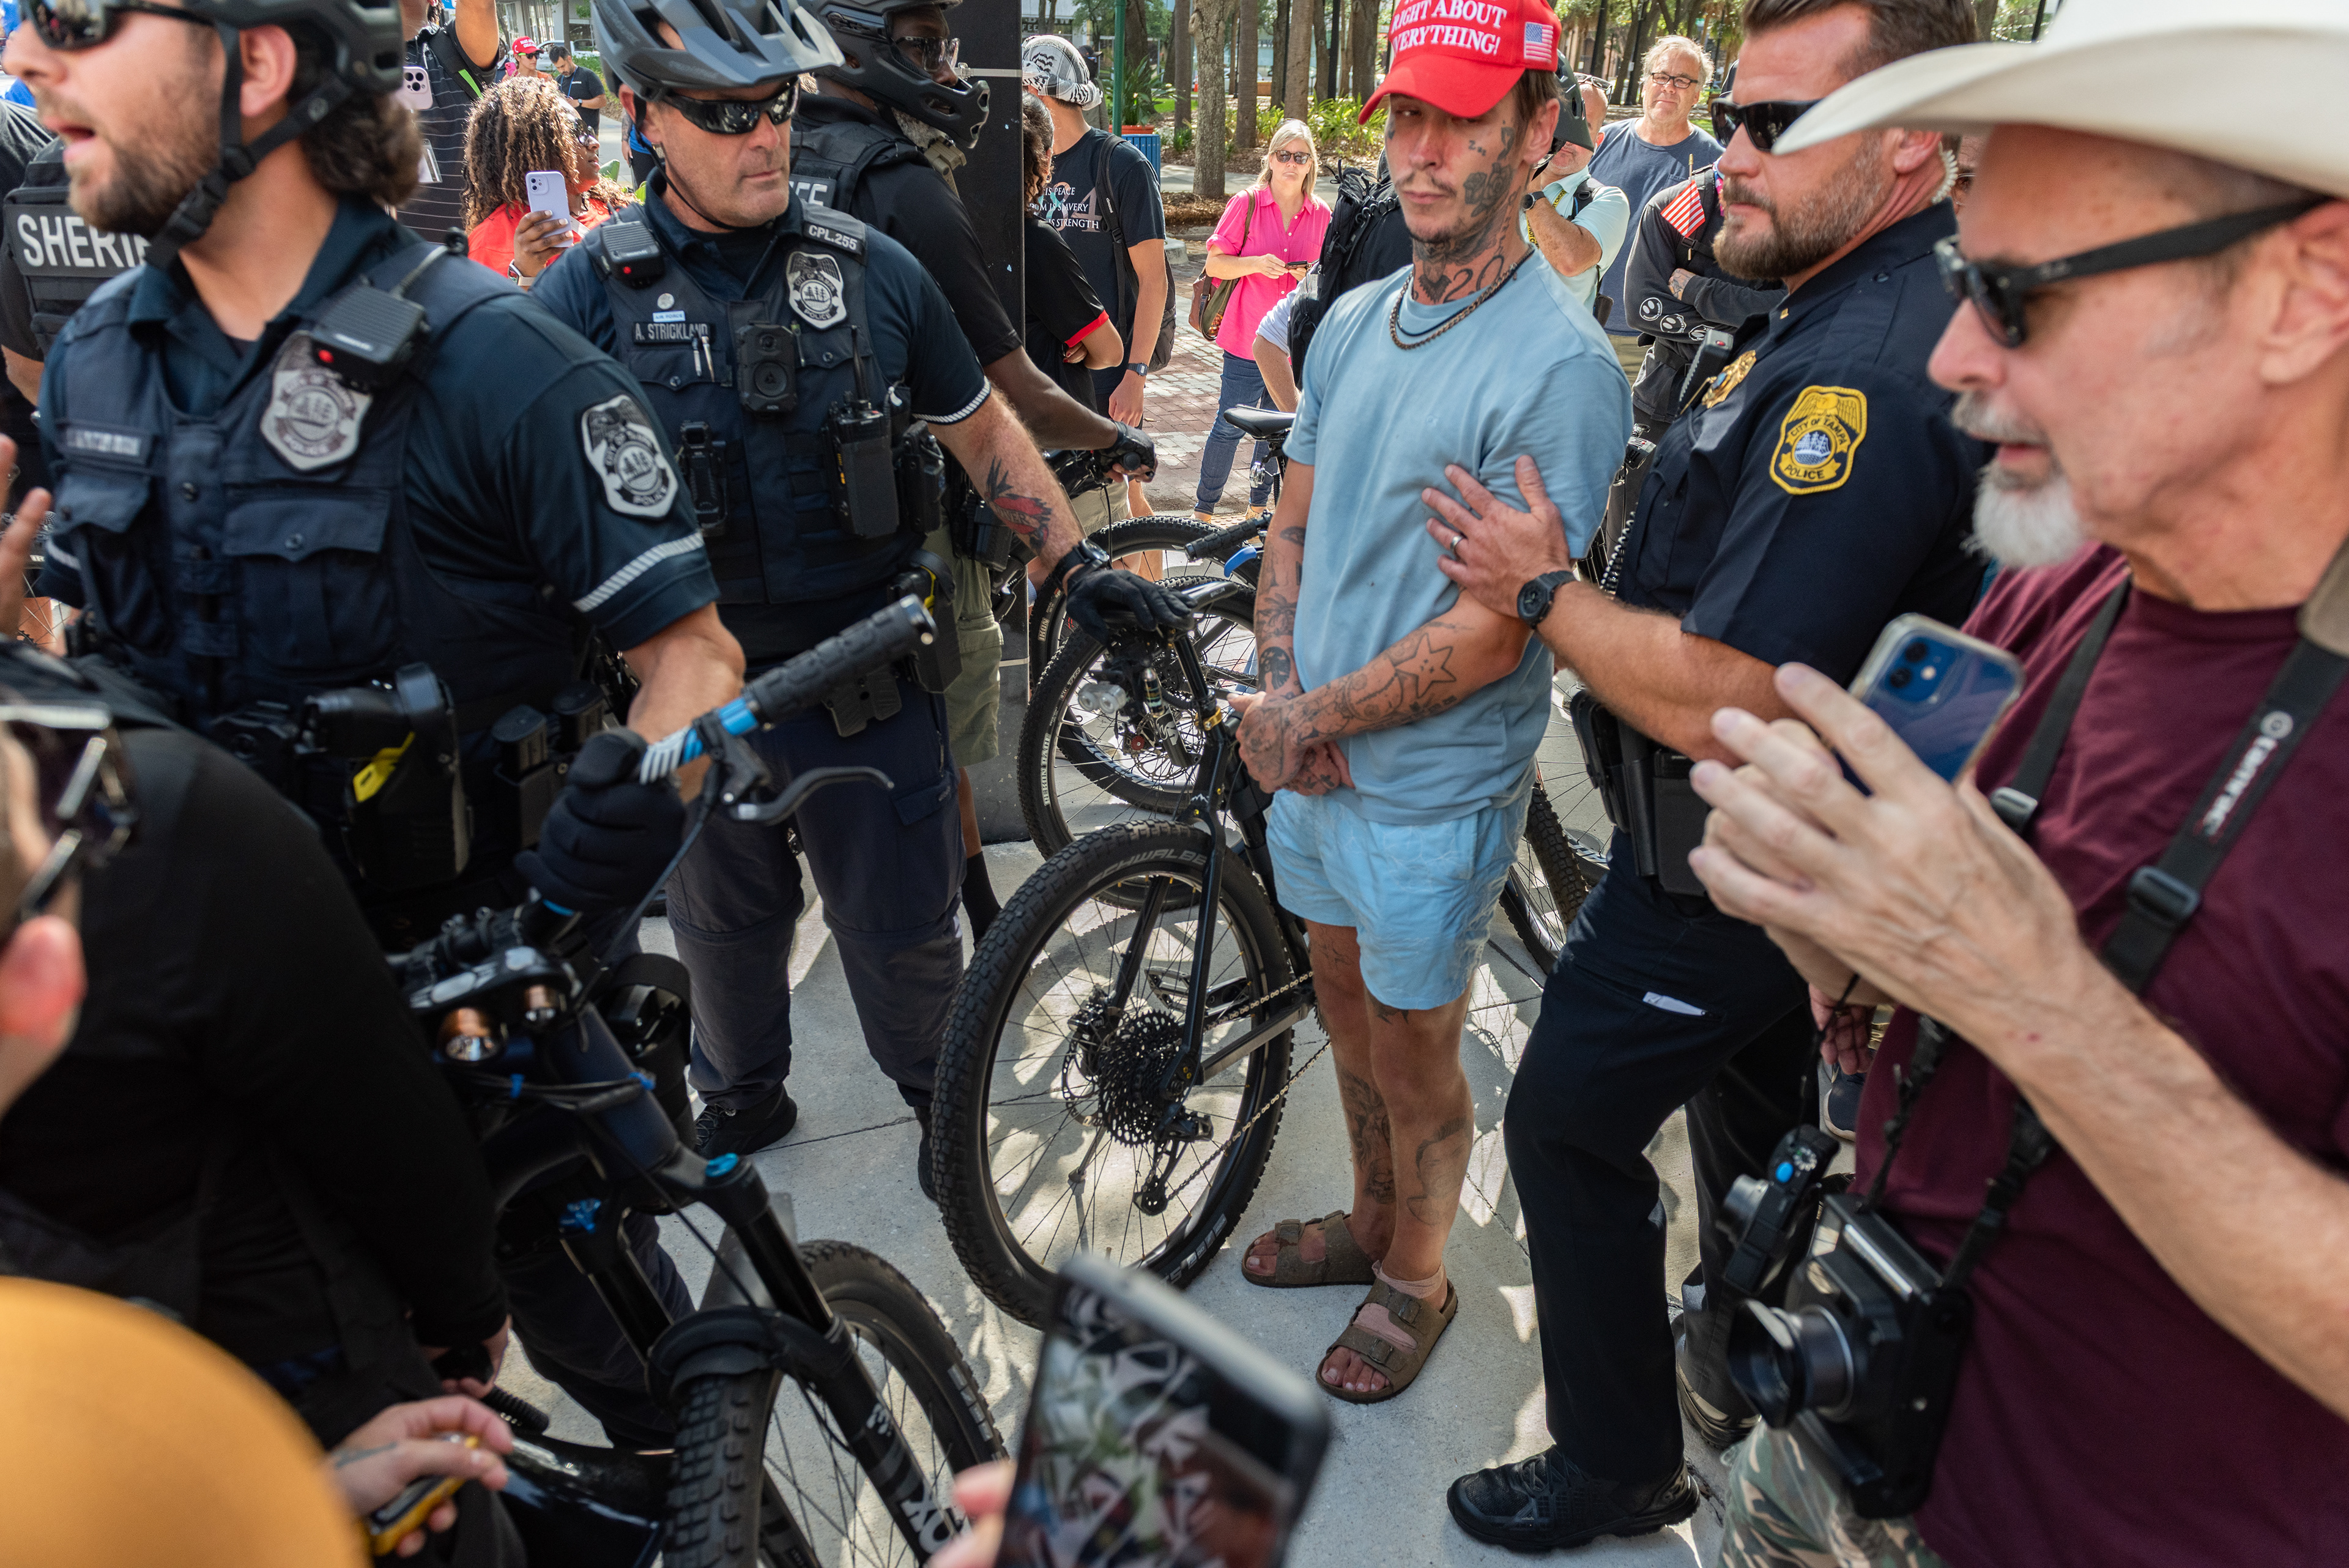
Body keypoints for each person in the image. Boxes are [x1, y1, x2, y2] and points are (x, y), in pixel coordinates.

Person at [5, 0, 746, 1449]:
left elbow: (697, 666)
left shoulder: (500, 365)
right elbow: (97, 666)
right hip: (227, 1075)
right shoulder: (96, 363)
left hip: (482, 1034)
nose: (31, 60)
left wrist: (561, 903)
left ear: (259, 63)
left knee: (672, 1414)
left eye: (84, 22)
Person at [1675, 2, 2349, 1562]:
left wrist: (2024, 994)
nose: (1949, 354)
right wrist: (1820, 907)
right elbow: (1887, 1016)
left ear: (2305, 289)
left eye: (2010, 297)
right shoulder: (2065, 577)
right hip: (1874, 1473)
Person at [1417, 0, 1987, 1548]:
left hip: (1729, 863)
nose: (1727, 155)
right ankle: (1740, 1354)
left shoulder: (1862, 371)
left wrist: (1545, 591)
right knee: (1754, 1121)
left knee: (1564, 1125)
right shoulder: (1828, 297)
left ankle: (1616, 1460)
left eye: (1773, 125)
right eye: (1730, 114)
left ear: (1911, 142)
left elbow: (1734, 694)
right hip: (1758, 881)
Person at [534, 0, 1186, 1194]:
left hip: (872, 693)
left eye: (777, 105)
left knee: (908, 959)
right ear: (643, 118)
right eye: (727, 114)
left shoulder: (873, 270)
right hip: (699, 713)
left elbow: (988, 434)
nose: (764, 137)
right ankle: (741, 1098)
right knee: (726, 951)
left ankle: (944, 1123)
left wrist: (1078, 571)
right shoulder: (583, 299)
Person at [1229, 1, 1628, 1411]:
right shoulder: (1343, 324)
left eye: (1460, 119)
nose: (1420, 149)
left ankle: (1416, 1276)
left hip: (1429, 791)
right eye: (1405, 116)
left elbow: (1487, 634)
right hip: (1318, 768)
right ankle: (1365, 1217)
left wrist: (1314, 714)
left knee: (1414, 1046)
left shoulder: (1560, 369)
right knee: (1343, 1016)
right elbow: (1291, 520)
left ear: (1532, 135)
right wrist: (1285, 692)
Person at [795, 0, 1162, 938]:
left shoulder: (777, 162)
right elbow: (1007, 400)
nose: (948, 66)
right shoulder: (905, 190)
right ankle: (965, 925)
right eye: (923, 42)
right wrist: (1110, 441)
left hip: (792, 533)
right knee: (944, 742)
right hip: (903, 528)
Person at [1026, 32, 1168, 508]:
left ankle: (1151, 586)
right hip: (1051, 374)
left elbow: (1155, 280)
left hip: (1111, 377)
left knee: (1121, 505)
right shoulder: (1024, 162)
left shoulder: (1121, 165)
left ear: (1038, 93)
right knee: (1088, 512)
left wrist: (1137, 374)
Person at [1192, 118, 1327, 524]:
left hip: (1294, 345)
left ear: (1310, 164)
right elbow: (1215, 263)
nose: (1291, 163)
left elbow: (1334, 274)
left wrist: (1313, 277)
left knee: (1279, 432)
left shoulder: (1322, 215)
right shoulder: (1247, 203)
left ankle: (1258, 511)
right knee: (1229, 427)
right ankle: (1202, 512)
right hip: (1245, 339)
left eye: (1299, 156)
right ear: (1270, 160)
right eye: (1283, 155)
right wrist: (1254, 264)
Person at [1587, 34, 1721, 380]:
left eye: (1681, 81)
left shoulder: (1714, 164)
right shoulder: (1600, 141)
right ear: (1646, 84)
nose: (1668, 88)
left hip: (1653, 344)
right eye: (1660, 77)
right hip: (1581, 325)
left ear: (1697, 94)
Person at [1619, 163, 1784, 435]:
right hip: (1664, 396)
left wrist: (1699, 291)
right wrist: (1750, 320)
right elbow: (1642, 309)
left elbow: (1797, 306)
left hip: (1752, 399)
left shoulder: (1797, 218)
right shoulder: (1674, 205)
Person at [462, 76, 628, 282]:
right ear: (528, 148)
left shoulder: (615, 208)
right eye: (576, 131)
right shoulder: (490, 243)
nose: (594, 143)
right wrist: (525, 275)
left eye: (588, 130)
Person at [1022, 94, 1123, 420]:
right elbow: (1110, 350)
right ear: (1047, 158)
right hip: (1055, 421)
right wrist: (1085, 351)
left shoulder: (962, 225)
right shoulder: (1036, 239)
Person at [1519, 73, 1628, 316]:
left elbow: (1570, 260)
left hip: (1553, 349)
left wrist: (1530, 188)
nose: (1568, 138)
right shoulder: (1504, 181)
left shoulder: (1608, 200)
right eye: (1562, 122)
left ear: (1597, 141)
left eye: (1582, 127)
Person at [399, 0, 504, 240]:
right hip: (374, 261)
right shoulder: (344, 53)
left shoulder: (454, 47)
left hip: (458, 252)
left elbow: (480, 5)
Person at [548, 40, 606, 133]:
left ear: (569, 59)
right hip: (567, 133)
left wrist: (579, 102)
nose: (561, 70)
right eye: (558, 68)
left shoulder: (587, 75)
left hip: (588, 132)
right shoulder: (558, 81)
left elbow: (602, 101)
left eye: (563, 66)